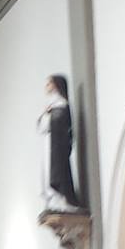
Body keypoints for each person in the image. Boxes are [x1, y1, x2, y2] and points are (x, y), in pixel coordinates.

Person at [40, 75, 83, 212]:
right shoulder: (51, 106)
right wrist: (46, 114)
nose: (46, 86)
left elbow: (61, 125)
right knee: (47, 171)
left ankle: (61, 199)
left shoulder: (61, 104)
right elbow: (42, 127)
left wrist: (50, 115)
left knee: (58, 171)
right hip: (49, 144)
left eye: (49, 83)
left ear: (56, 85)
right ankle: (53, 200)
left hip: (57, 147)